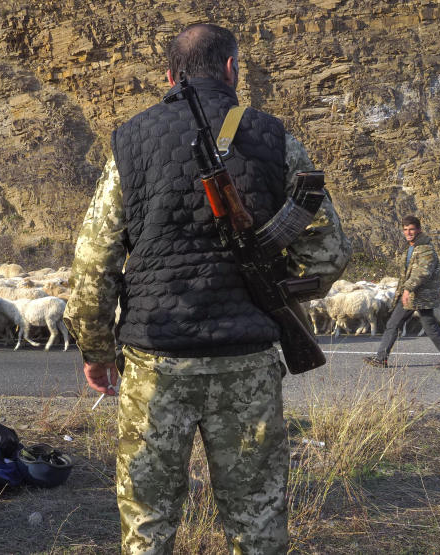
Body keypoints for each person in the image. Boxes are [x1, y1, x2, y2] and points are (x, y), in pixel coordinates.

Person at [64, 23, 349, 555]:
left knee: (148, 525)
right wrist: (272, 286)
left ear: (170, 77)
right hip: (246, 358)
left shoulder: (130, 140)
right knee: (257, 522)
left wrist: (97, 351)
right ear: (230, 69)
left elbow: (93, 261)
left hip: (153, 361)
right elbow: (329, 252)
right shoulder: (274, 136)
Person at [363, 215, 440, 369]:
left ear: (418, 229)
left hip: (420, 295)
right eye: (405, 229)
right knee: (393, 323)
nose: (408, 232)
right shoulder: (412, 247)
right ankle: (381, 358)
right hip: (411, 296)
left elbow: (422, 272)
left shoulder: (425, 249)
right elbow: (407, 273)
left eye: (411, 229)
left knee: (429, 326)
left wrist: (407, 289)